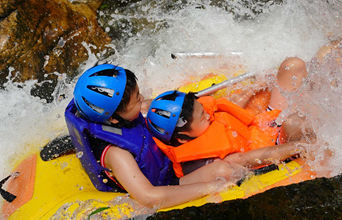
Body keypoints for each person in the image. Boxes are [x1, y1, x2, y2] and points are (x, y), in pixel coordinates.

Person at [65, 64, 246, 209]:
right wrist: (212, 187)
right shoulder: (116, 154)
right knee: (225, 170)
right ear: (113, 118)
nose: (142, 99)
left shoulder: (114, 117)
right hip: (168, 183)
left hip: (163, 157)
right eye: (137, 99)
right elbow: (149, 197)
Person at [147, 69, 315, 177]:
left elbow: (227, 107)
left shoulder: (197, 123)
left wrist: (257, 86)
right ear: (183, 138)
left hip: (267, 123)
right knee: (295, 122)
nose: (207, 115)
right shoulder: (205, 161)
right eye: (202, 116)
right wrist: (302, 146)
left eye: (203, 109)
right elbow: (248, 158)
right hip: (278, 145)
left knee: (292, 67)